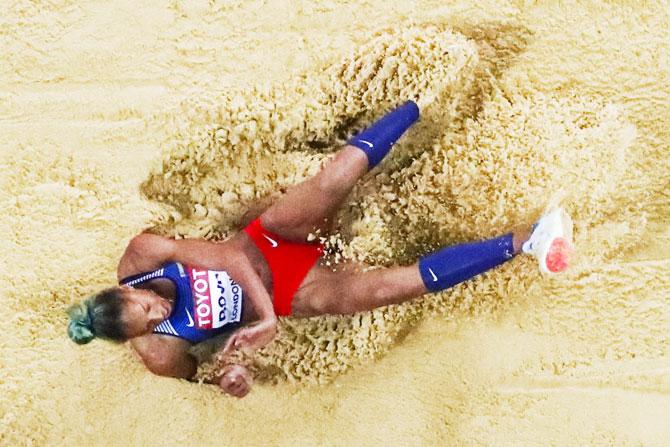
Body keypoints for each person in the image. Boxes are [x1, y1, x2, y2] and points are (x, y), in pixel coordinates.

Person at [66, 100, 574, 398]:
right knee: (383, 290)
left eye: (147, 303)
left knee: (335, 178)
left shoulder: (141, 255)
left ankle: (423, 99)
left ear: (125, 289)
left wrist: (261, 321)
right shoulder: (159, 353)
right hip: (294, 291)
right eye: (152, 320)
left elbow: (228, 257)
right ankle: (530, 238)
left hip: (263, 242)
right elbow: (206, 372)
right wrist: (237, 375)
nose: (159, 310)